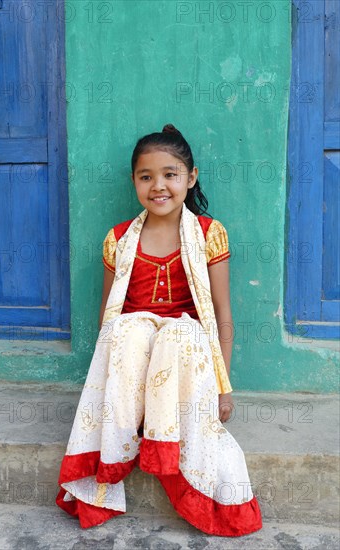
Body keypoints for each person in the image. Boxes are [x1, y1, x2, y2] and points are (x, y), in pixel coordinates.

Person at [56, 124, 262, 536]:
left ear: (191, 177)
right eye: (146, 177)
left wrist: (223, 387)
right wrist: (110, 381)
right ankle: (130, 420)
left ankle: (164, 442)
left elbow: (221, 315)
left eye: (170, 174)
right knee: (129, 330)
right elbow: (107, 321)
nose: (159, 186)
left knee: (178, 333)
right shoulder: (118, 239)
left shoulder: (207, 234)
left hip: (185, 357)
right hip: (134, 354)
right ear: (134, 181)